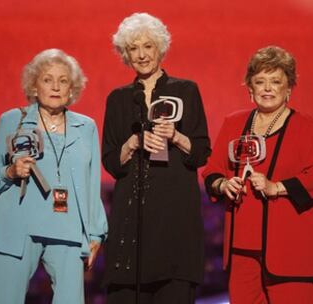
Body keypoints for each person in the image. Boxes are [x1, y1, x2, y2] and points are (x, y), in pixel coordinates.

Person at [202, 45, 313, 303]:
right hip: (242, 254)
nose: (268, 88)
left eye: (276, 81)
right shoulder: (234, 123)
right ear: (250, 88)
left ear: (289, 88)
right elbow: (211, 172)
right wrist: (223, 184)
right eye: (260, 82)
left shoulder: (306, 127)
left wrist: (276, 187)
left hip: (291, 253)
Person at [0, 48, 108, 304]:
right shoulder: (13, 120)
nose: (56, 87)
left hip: (67, 226)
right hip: (17, 227)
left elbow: (91, 183)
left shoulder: (86, 127)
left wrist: (96, 233)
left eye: (63, 81)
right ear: (34, 86)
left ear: (72, 89)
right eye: (47, 79)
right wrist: (10, 171)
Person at [102, 12, 211, 304]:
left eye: (147, 46)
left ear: (160, 48)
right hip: (131, 220)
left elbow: (201, 152)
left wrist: (175, 136)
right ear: (125, 54)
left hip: (175, 218)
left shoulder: (185, 90)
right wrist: (133, 142)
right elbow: (111, 161)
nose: (141, 55)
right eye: (133, 48)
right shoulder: (118, 98)